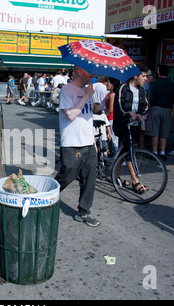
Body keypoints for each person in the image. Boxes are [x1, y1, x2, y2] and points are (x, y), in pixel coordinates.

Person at [54, 65, 100, 227]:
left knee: (89, 180)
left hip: (88, 143)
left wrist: (94, 142)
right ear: (80, 71)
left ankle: (84, 212)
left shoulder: (88, 91)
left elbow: (89, 119)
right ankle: (43, 197)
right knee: (66, 177)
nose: (92, 73)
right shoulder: (67, 90)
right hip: (72, 143)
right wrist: (86, 96)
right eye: (89, 70)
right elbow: (71, 115)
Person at [113, 64, 149, 194]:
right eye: (143, 76)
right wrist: (128, 113)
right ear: (136, 75)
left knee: (125, 151)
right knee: (128, 150)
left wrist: (139, 113)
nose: (145, 78)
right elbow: (118, 106)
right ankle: (135, 181)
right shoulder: (123, 87)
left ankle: (114, 176)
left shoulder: (142, 90)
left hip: (135, 125)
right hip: (122, 124)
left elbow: (145, 105)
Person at [145, 64, 174, 160]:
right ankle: (163, 152)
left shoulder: (154, 84)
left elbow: (149, 99)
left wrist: (147, 110)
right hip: (167, 110)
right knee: (164, 132)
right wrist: (172, 111)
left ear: (159, 73)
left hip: (155, 109)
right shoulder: (172, 85)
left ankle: (154, 152)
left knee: (155, 131)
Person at [105, 77, 120, 155]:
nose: (106, 84)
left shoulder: (112, 95)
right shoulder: (109, 94)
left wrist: (104, 116)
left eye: (108, 83)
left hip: (111, 119)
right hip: (110, 119)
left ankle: (117, 156)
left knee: (114, 140)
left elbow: (110, 109)